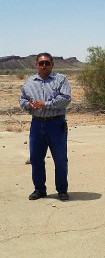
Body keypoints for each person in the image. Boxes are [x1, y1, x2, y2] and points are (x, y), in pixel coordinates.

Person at [19, 52, 71, 201]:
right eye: (41, 63)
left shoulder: (61, 79)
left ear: (52, 65)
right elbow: (21, 99)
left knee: (60, 159)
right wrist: (29, 105)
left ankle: (62, 190)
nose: (44, 65)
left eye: (47, 63)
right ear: (36, 65)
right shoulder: (29, 82)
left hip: (56, 123)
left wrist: (45, 104)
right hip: (37, 124)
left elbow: (65, 99)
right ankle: (39, 189)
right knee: (36, 158)